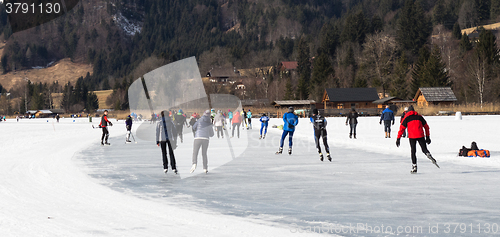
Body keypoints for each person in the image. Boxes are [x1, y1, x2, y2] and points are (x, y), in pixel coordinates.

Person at [396, 105, 439, 173]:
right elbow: (426, 127)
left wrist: (398, 138)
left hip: (412, 136)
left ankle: (414, 166)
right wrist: (428, 137)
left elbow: (402, 128)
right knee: (424, 149)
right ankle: (428, 154)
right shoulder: (419, 116)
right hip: (420, 135)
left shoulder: (406, 117)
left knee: (413, 151)